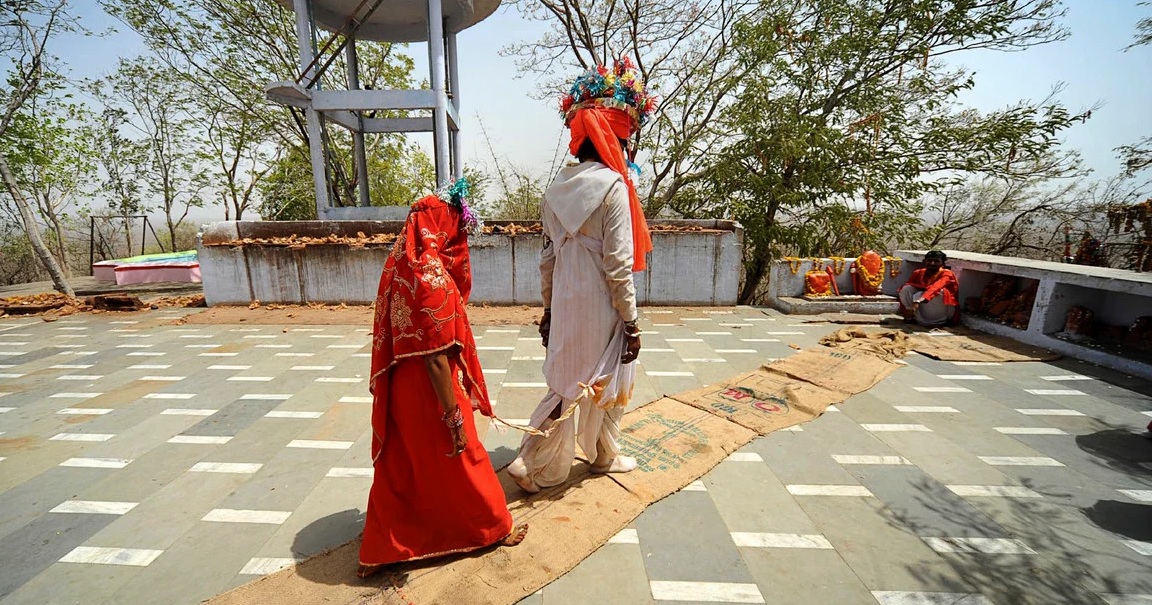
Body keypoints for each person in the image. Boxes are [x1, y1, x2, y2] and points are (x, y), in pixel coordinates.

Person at [358, 181, 527, 578]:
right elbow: (435, 357)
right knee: (463, 453)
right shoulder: (432, 279)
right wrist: (453, 416)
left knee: (402, 465)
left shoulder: (402, 264)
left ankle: (383, 549)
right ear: (442, 229)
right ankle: (492, 528)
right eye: (457, 229)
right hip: (429, 389)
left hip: (401, 384)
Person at [506, 57, 656, 493]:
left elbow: (548, 260)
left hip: (567, 304)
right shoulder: (613, 188)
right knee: (607, 381)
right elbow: (618, 265)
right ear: (617, 140)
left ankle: (535, 458)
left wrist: (549, 311)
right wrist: (630, 321)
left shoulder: (553, 192)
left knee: (566, 384)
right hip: (602, 307)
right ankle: (594, 455)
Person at [898, 250, 960, 327]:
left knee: (940, 292)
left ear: (943, 264)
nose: (932, 263)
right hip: (921, 305)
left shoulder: (947, 274)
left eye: (936, 261)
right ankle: (911, 315)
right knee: (906, 288)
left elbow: (936, 287)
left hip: (942, 309)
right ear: (924, 261)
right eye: (929, 260)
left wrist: (919, 300)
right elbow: (906, 289)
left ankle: (936, 321)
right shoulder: (918, 273)